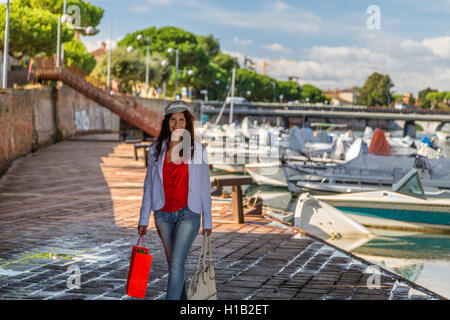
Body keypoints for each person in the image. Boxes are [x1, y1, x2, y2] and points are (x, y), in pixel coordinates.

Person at [137, 101, 212, 300]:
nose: (177, 123)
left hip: (189, 213)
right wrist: (143, 218)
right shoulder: (156, 150)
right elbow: (149, 186)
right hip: (163, 214)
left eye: (181, 119)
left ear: (187, 123)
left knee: (177, 264)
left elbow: (205, 187)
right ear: (166, 122)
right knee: (174, 264)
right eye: (173, 119)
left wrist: (208, 221)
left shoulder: (198, 150)